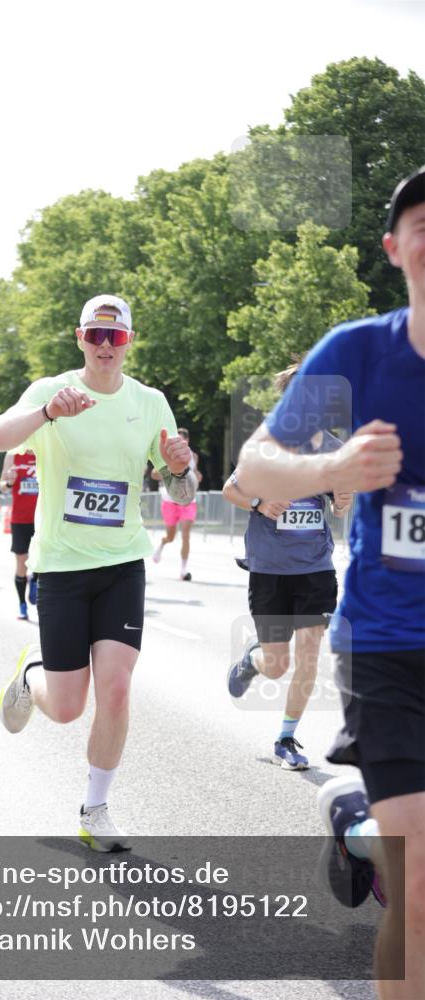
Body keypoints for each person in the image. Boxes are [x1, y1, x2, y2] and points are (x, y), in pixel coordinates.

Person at [233, 167, 425, 999]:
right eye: (424, 224)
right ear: (394, 249)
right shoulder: (355, 351)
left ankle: (355, 825)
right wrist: (334, 465)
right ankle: (373, 830)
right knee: (419, 887)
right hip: (389, 643)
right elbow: (253, 466)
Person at [0, 294, 196, 850]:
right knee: (70, 705)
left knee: (118, 690)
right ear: (80, 338)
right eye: (95, 336)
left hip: (123, 563)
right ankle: (32, 678)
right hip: (59, 567)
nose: (105, 346)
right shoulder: (51, 391)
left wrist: (180, 469)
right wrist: (49, 413)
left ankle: (95, 810)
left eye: (116, 337)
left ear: (128, 342)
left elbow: (180, 487)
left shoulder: (150, 403)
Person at [222, 360, 352, 770]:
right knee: (277, 665)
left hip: (315, 566)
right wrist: (259, 503)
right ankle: (252, 659)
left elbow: (340, 501)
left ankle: (287, 737)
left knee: (310, 654)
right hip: (270, 568)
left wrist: (344, 500)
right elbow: (231, 489)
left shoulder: (334, 450)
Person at [151, 427, 202, 579]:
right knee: (171, 537)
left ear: (187, 441)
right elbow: (154, 474)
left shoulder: (193, 456)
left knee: (186, 533)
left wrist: (197, 476)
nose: (180, 442)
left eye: (183, 440)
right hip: (169, 500)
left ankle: (183, 570)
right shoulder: (167, 454)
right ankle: (162, 543)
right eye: (178, 439)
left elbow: (196, 473)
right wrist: (171, 472)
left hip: (188, 501)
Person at [0, 448, 39, 618]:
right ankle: (22, 605)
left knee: (41, 560)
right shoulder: (13, 454)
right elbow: (1, 486)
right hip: (20, 518)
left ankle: (35, 579)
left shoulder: (46, 449)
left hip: (43, 518)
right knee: (21, 564)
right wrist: (9, 482)